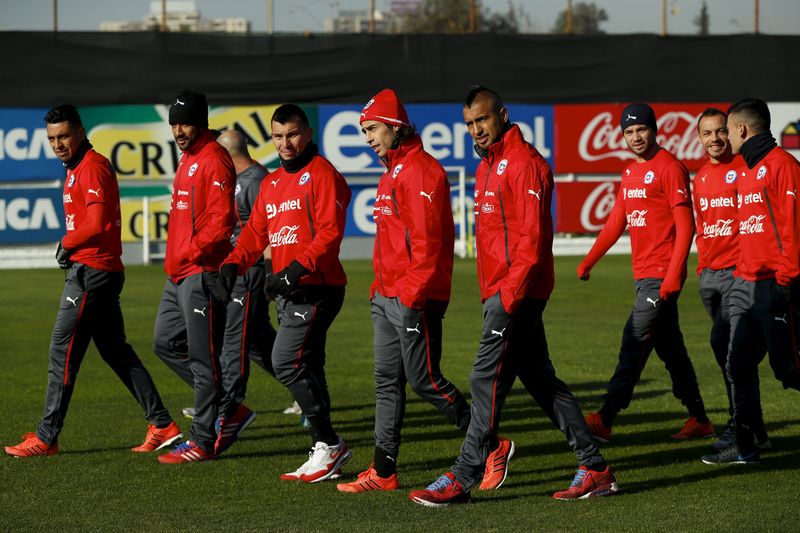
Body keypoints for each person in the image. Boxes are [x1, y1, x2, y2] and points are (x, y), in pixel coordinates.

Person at [409, 86, 617, 506]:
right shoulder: (487, 165)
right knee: (542, 382)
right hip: (500, 292)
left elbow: (532, 242)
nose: (475, 130)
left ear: (502, 114)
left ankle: (463, 474)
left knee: (484, 378)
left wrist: (506, 298)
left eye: (482, 120)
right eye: (468, 123)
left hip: (516, 294)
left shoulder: (526, 164)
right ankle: (594, 468)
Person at [4, 104, 181, 458]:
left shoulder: (93, 166)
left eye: (64, 135)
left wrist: (67, 243)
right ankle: (162, 425)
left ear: (81, 132)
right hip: (95, 270)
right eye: (52, 138)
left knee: (62, 350)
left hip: (92, 274)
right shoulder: (75, 168)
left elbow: (98, 222)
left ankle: (46, 436)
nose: (58, 143)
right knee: (116, 352)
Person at [336, 89, 471, 494]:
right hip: (386, 296)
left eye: (373, 128)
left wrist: (410, 296)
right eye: (363, 131)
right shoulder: (392, 171)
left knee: (425, 381)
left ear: (395, 127)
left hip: (415, 297)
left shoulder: (423, 171)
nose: (368, 138)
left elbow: (429, 246)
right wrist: (379, 289)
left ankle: (488, 440)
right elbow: (392, 241)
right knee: (386, 383)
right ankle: (383, 470)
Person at [213, 104, 352, 482]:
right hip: (289, 290)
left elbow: (329, 233)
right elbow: (256, 234)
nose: (285, 143)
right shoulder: (272, 183)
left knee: (285, 361)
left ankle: (330, 443)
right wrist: (232, 263)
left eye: (292, 134)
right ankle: (324, 450)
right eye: (277, 136)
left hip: (317, 289)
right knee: (309, 365)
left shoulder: (324, 175)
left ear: (306, 133)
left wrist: (293, 270)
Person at [578, 103, 714, 443]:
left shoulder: (669, 167)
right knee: (671, 350)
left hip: (660, 276)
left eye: (641, 129)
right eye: (629, 132)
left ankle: (605, 418)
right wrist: (590, 259)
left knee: (633, 342)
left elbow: (686, 227)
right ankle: (700, 419)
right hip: (645, 275)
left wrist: (674, 274)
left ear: (654, 130)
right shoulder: (629, 172)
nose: (636, 136)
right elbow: (616, 221)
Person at [702, 98, 800, 465]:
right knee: (737, 363)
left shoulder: (783, 166)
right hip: (747, 285)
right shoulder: (747, 171)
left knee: (789, 371)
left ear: (742, 130)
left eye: (727, 129)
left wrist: (787, 281)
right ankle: (745, 446)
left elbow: (793, 229)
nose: (724, 136)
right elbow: (752, 233)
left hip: (778, 287)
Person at [152, 90, 237, 464]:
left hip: (200, 273)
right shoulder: (188, 158)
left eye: (184, 123)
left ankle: (203, 440)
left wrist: (189, 253)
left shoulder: (215, 159)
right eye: (174, 124)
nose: (178, 130)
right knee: (163, 342)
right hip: (178, 275)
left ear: (201, 122)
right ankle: (227, 407)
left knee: (204, 361)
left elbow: (222, 223)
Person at [692, 108, 771, 452]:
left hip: (739, 275)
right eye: (707, 133)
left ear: (732, 132)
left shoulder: (746, 169)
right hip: (710, 277)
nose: (715, 139)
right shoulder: (700, 177)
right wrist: (702, 268)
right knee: (729, 351)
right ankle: (754, 429)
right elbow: (704, 225)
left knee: (733, 352)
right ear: (699, 138)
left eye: (720, 131)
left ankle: (740, 427)